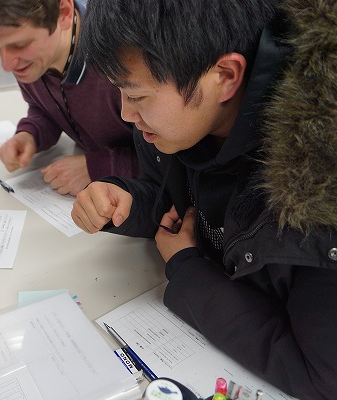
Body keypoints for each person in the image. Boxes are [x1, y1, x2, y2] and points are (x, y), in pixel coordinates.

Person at [71, 0, 337, 398]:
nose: (127, 114)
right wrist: (123, 199)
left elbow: (321, 376)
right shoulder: (179, 127)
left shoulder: (317, 185)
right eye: (121, 93)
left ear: (225, 76)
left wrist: (187, 268)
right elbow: (174, 204)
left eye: (138, 97)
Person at [0, 0, 139, 196]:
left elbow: (173, 154)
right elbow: (46, 108)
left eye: (20, 44)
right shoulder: (30, 59)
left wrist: (99, 167)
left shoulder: (122, 56)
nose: (7, 64)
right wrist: (31, 133)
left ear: (63, 14)